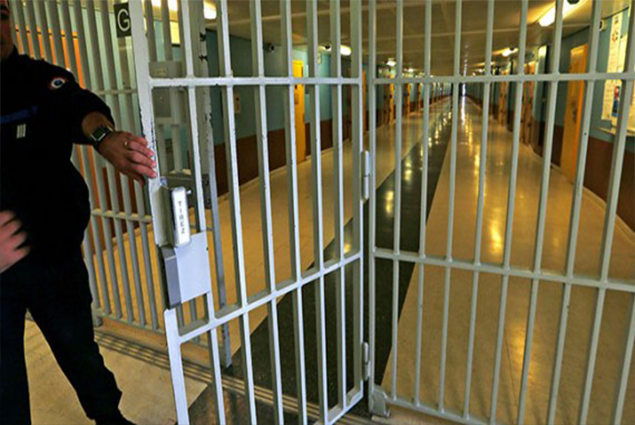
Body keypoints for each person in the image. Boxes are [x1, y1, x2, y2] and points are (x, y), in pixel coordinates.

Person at [0, 1, 157, 423]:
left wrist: (104, 138)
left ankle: (110, 418)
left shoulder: (37, 78)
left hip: (53, 257)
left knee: (81, 355)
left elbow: (79, 108)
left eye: (2, 13)